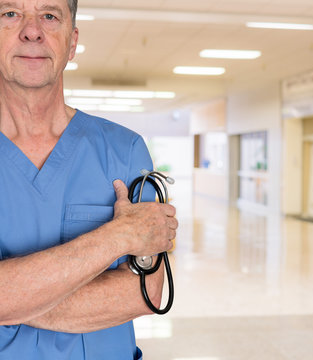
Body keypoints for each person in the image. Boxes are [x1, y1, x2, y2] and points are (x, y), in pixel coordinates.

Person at [0, 0, 178, 359]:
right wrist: (118, 236)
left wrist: (13, 300)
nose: (31, 30)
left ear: (72, 42)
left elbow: (148, 292)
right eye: (10, 13)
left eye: (50, 16)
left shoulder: (124, 149)